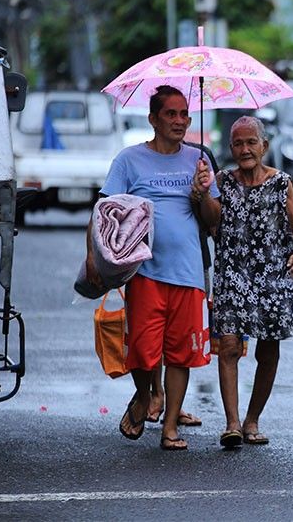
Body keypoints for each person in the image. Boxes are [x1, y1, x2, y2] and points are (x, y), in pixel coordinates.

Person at [85, 85, 221, 451]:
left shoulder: (199, 160)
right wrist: (92, 257)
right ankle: (145, 395)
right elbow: (102, 211)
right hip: (143, 272)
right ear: (153, 119)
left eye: (184, 115)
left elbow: (214, 221)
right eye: (170, 114)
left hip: (188, 272)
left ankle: (170, 426)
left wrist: (202, 193)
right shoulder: (129, 160)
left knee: (182, 354)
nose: (179, 121)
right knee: (143, 351)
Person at [212, 116, 293, 448]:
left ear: (264, 146)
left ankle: (252, 420)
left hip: (274, 276)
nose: (245, 149)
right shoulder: (221, 181)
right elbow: (209, 221)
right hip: (233, 274)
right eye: (238, 143)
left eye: (252, 142)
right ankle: (233, 423)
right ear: (231, 147)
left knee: (268, 351)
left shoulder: (281, 182)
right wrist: (201, 194)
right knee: (229, 346)